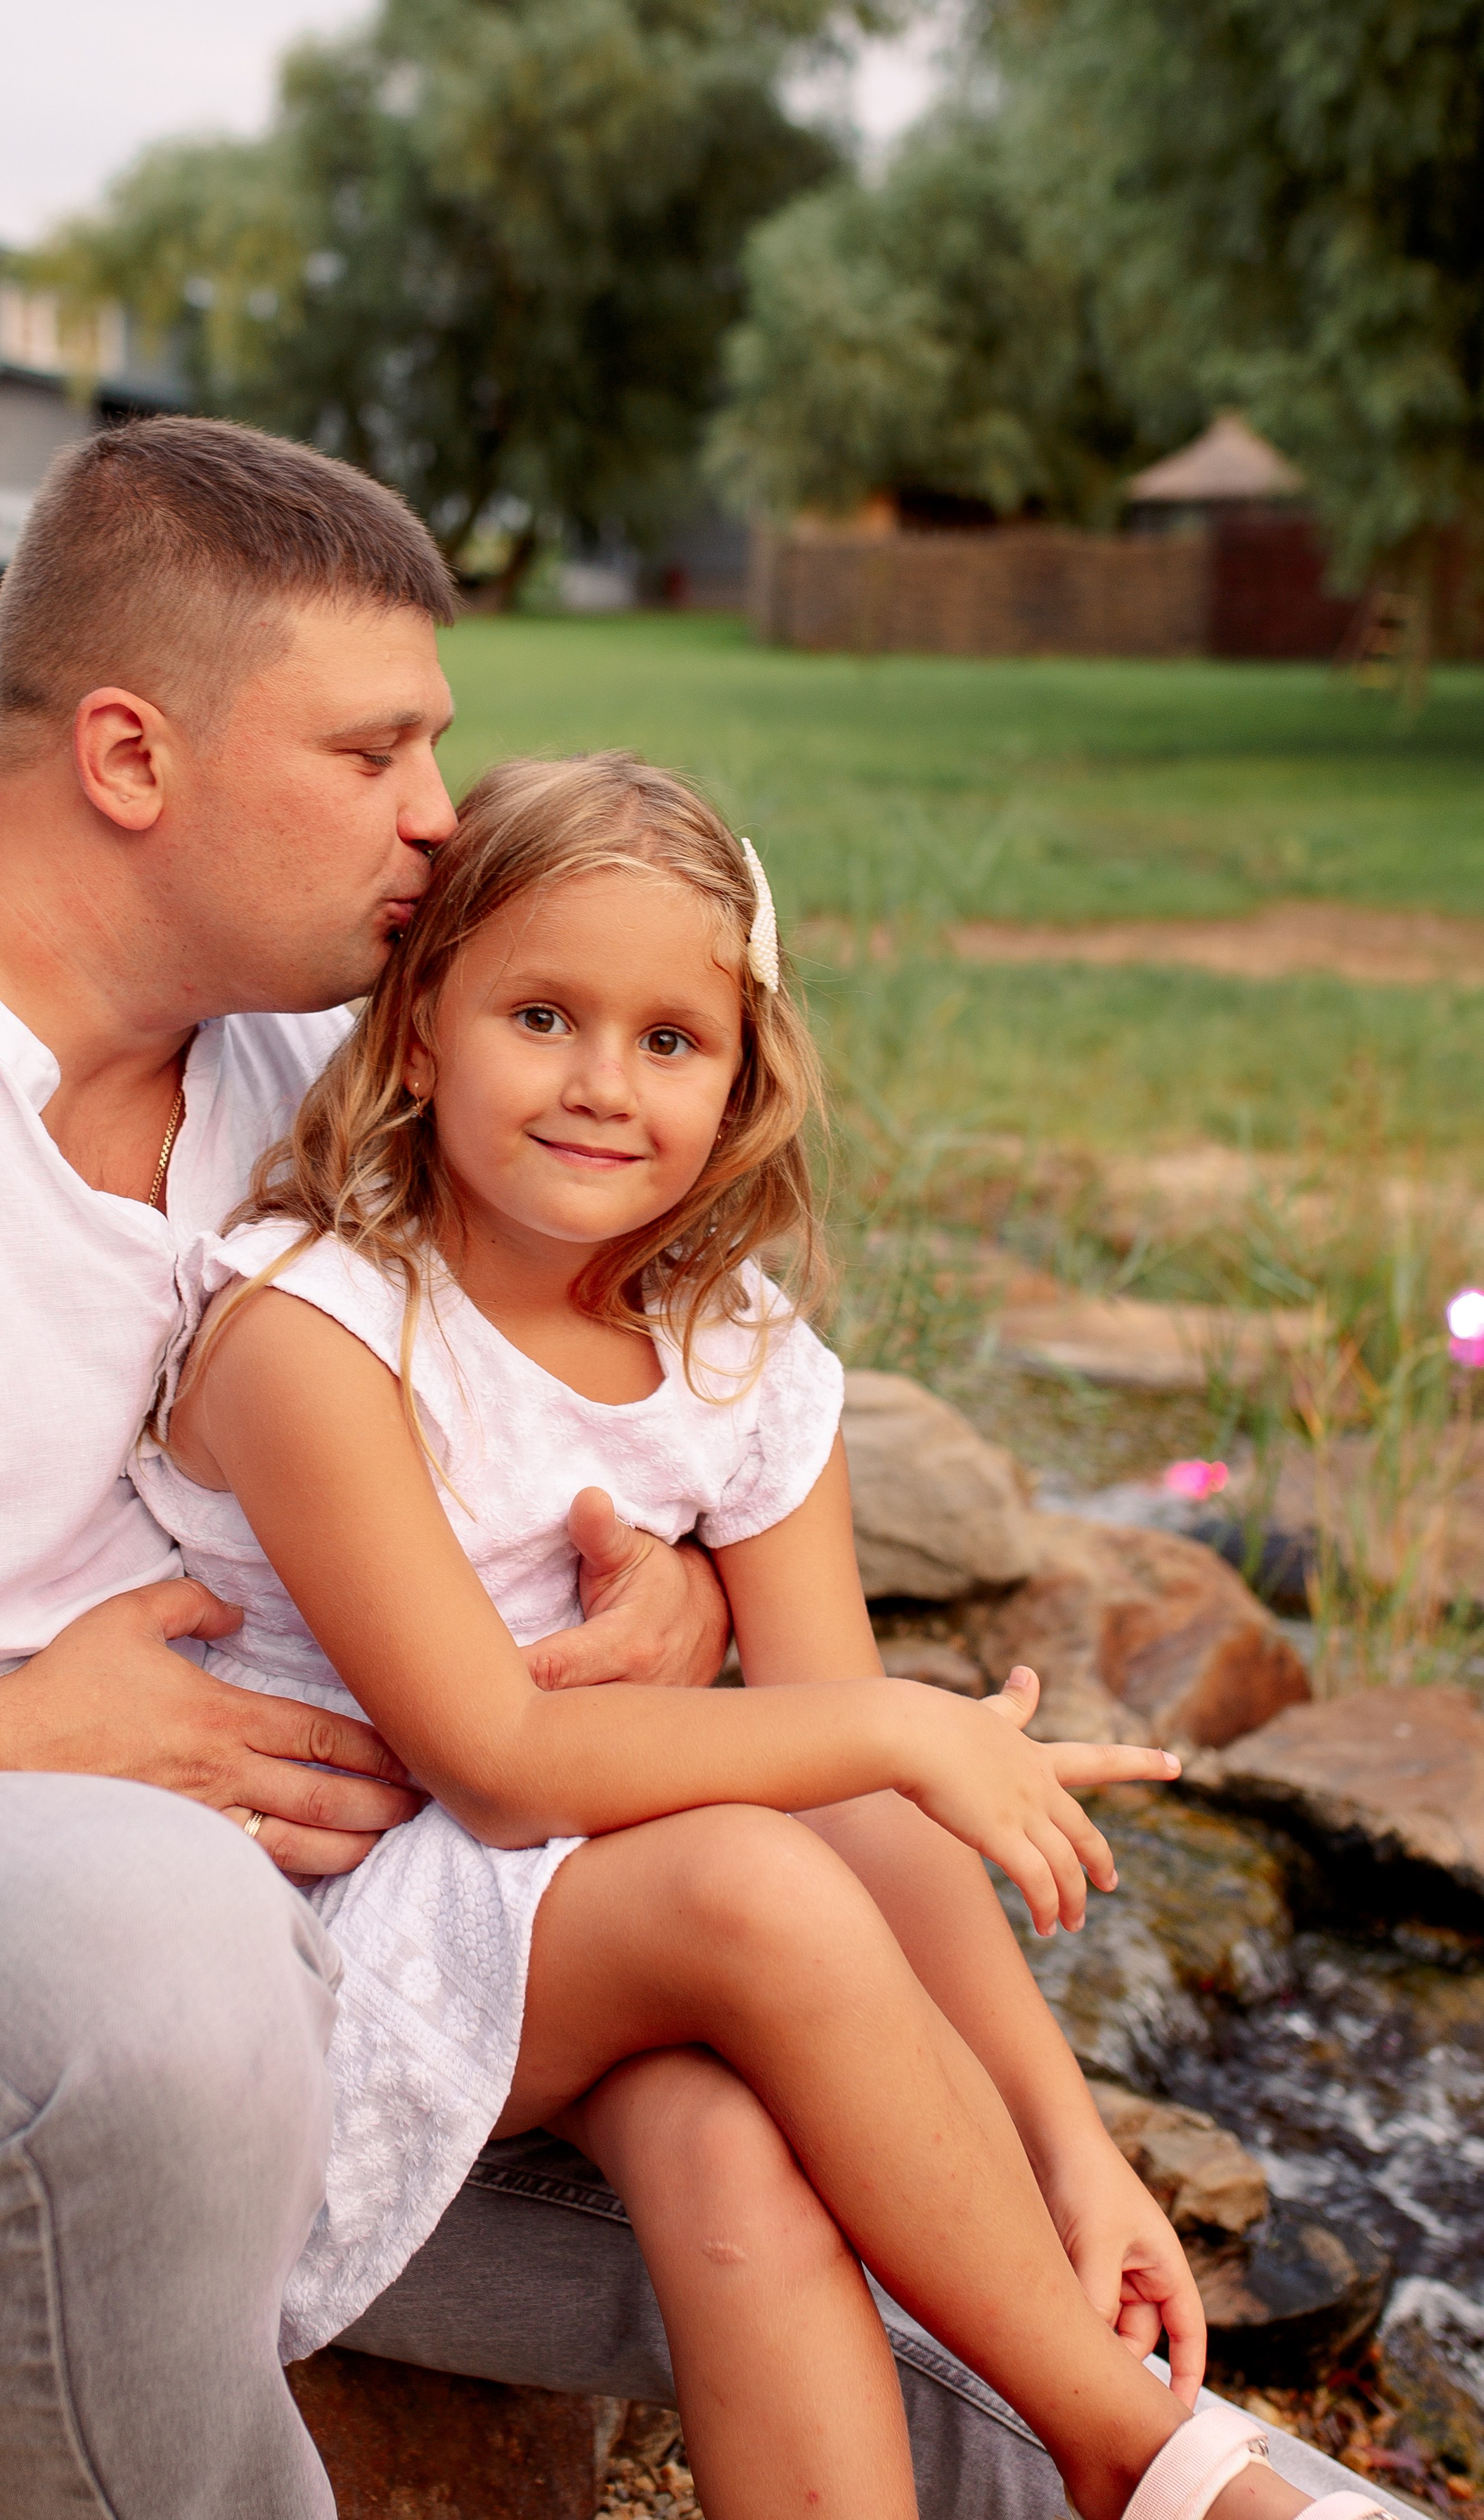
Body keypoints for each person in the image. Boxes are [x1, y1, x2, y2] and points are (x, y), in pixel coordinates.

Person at [0, 415, 1400, 2520]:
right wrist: (13, 1738)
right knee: (132, 1920)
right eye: (376, 754)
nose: (434, 821)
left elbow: (568, 1413)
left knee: (742, 2131)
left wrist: (660, 1581)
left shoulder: (315, 1047)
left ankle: (1175, 2473)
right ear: (132, 759)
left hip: (324, 1975)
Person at [139, 750, 1384, 2520]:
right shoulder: (318, 1329)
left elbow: (861, 1807)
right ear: (416, 1028)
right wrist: (895, 1724)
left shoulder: (731, 1360)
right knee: (749, 1881)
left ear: (737, 1080)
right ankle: (1126, 2449)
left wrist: (1066, 2135)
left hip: (583, 1953)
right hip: (304, 1951)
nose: (599, 1084)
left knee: (726, 2147)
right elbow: (496, 1766)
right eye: (542, 1014)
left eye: (668, 1039)